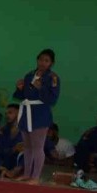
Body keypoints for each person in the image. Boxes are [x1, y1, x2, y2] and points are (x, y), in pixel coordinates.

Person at [13, 49, 61, 185]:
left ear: (51, 63)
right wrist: (20, 88)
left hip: (40, 114)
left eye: (46, 61)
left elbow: (52, 100)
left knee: (37, 147)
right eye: (40, 59)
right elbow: (23, 96)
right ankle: (27, 174)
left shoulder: (52, 78)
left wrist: (41, 88)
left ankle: (36, 177)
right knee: (27, 146)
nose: (42, 63)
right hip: (26, 112)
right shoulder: (29, 75)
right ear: (37, 60)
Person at [72, 111, 97, 188]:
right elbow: (81, 146)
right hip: (91, 159)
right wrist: (90, 157)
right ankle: (85, 173)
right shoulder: (92, 132)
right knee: (80, 154)